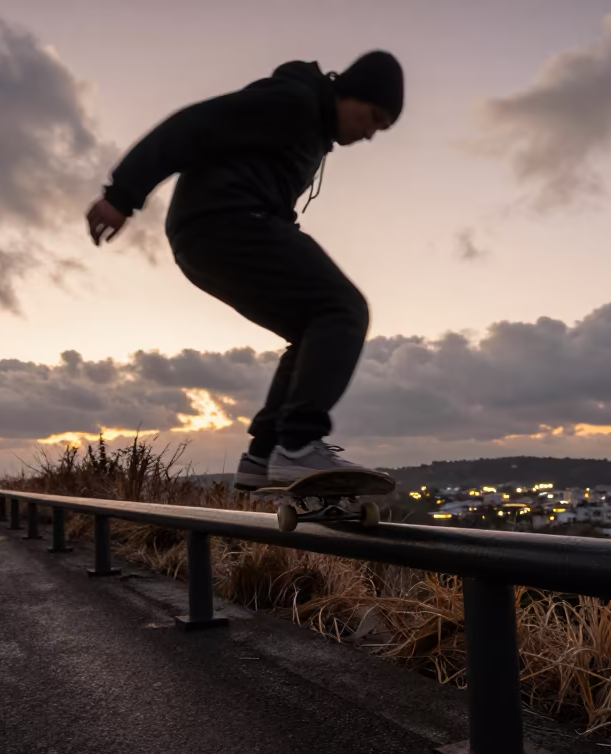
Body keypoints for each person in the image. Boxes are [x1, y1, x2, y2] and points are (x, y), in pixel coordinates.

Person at [85, 51, 403, 489]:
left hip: (212, 233)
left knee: (312, 325)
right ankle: (298, 446)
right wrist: (123, 194)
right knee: (343, 310)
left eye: (381, 129)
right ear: (348, 93)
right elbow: (191, 126)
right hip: (224, 221)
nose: (370, 134)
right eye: (373, 117)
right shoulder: (292, 102)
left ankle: (264, 454)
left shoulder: (311, 127)